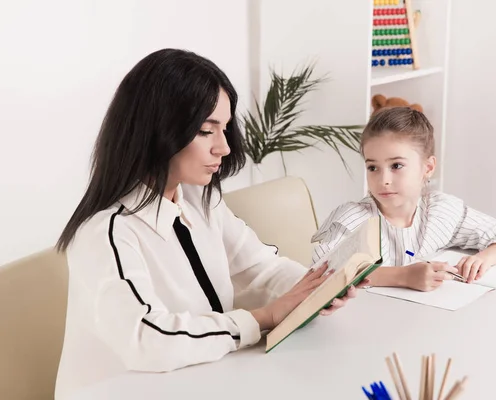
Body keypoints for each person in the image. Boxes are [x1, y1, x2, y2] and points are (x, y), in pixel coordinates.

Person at [54, 48, 364, 399]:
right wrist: (261, 318)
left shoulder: (202, 202)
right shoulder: (105, 233)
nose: (224, 147)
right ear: (157, 131)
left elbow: (260, 267)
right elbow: (149, 338)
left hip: (204, 381)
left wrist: (315, 289)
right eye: (205, 130)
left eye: (225, 128)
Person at [311, 106, 496, 292]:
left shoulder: (440, 211)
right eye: (373, 167)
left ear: (427, 167)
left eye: (396, 166)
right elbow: (321, 273)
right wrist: (402, 276)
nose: (384, 179)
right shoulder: (351, 219)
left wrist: (485, 258)